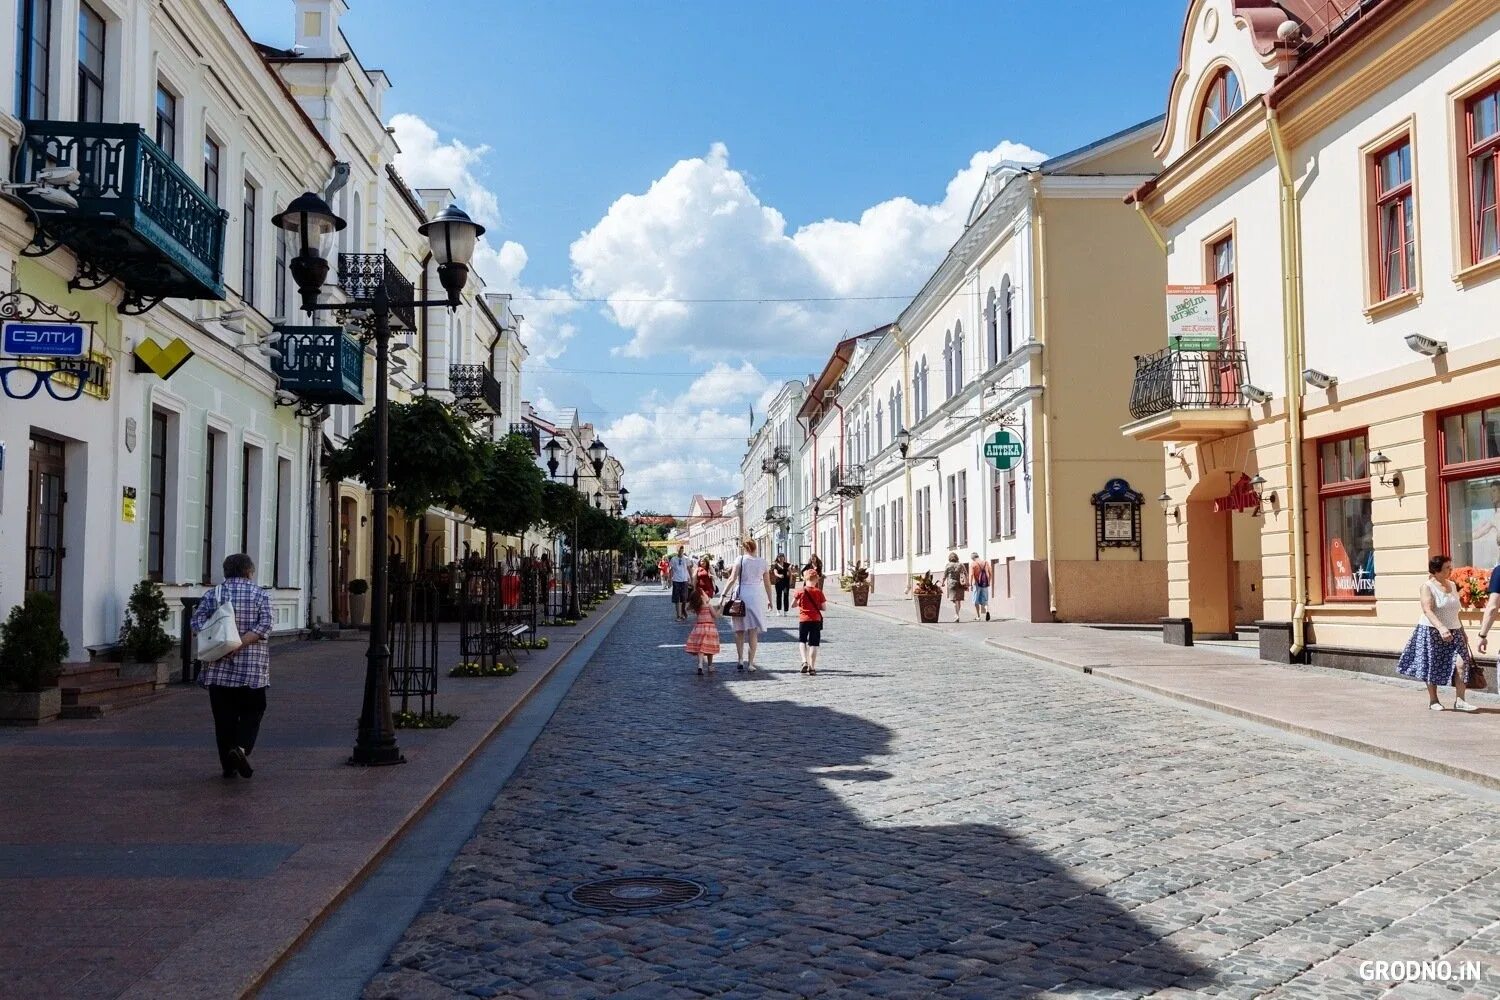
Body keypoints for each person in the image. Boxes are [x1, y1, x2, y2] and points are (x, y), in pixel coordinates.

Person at [190, 553, 275, 779]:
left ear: (226, 572)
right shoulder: (260, 595)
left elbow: (196, 623)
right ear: (249, 572)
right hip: (251, 670)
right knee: (254, 711)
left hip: (218, 670)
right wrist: (241, 642)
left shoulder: (213, 594)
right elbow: (265, 625)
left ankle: (228, 767)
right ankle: (241, 749)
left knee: (223, 719)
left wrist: (222, 640)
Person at [1396, 554, 1476, 712]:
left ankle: (1460, 700)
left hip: (1455, 629)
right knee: (1432, 664)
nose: (1450, 569)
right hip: (1432, 630)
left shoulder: (1452, 585)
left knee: (1462, 662)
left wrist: (1462, 630)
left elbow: (1455, 612)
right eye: (1447, 567)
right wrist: (1440, 627)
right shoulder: (1427, 587)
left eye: (1450, 566)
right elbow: (1427, 610)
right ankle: (1433, 700)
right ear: (1436, 570)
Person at [724, 537, 773, 671]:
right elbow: (768, 584)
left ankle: (740, 659)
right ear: (755, 547)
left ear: (744, 548)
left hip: (741, 595)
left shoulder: (739, 560)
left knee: (739, 630)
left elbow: (732, 579)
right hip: (756, 596)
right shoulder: (763, 562)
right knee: (753, 632)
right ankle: (751, 663)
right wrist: (770, 599)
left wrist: (723, 596)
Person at [794, 566, 827, 675]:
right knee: (813, 643)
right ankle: (812, 667)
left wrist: (800, 603)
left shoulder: (800, 591)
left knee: (802, 641)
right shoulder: (819, 592)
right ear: (816, 579)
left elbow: (793, 605)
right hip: (815, 620)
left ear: (805, 578)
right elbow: (824, 608)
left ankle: (804, 661)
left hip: (803, 620)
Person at [683, 583, 721, 676]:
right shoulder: (709, 606)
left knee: (701, 649)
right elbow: (715, 616)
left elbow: (690, 608)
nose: (707, 595)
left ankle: (700, 665)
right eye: (705, 594)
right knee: (709, 649)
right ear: (702, 597)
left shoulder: (698, 607)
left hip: (699, 629)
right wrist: (721, 609)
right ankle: (710, 666)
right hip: (709, 629)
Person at [942, 551, 969, 622]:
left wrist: (943, 582)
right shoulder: (961, 565)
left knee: (955, 601)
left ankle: (956, 615)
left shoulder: (948, 565)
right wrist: (967, 582)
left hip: (952, 584)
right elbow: (966, 574)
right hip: (960, 584)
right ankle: (957, 614)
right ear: (957, 557)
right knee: (958, 600)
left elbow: (944, 575)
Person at [669, 546, 692, 621]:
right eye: (679, 550)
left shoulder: (686, 559)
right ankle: (678, 616)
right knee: (677, 599)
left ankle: (683, 611)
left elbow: (689, 569)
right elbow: (671, 570)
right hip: (676, 580)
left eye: (682, 550)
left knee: (684, 598)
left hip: (684, 580)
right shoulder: (673, 559)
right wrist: (670, 579)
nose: (680, 552)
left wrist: (691, 579)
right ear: (677, 551)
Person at [969, 552, 992, 622]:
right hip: (985, 583)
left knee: (975, 600)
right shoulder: (985, 562)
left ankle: (978, 616)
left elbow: (971, 575)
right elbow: (990, 573)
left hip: (977, 584)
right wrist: (989, 581)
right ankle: (987, 611)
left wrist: (970, 584)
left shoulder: (973, 564)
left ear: (973, 558)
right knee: (985, 599)